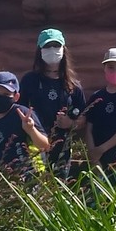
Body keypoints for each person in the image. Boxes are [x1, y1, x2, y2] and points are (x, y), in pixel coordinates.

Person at [19, 28, 87, 175]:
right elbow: (19, 109)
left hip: (62, 149)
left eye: (56, 46)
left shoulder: (73, 85)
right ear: (40, 51)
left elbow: (84, 117)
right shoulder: (30, 80)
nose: (52, 50)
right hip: (35, 146)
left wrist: (71, 123)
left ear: (63, 49)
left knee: (58, 184)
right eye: (47, 46)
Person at [0, 71, 49, 176]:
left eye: (6, 94)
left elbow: (45, 146)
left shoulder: (23, 114)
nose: (0, 97)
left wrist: (31, 130)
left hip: (26, 176)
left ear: (16, 97)